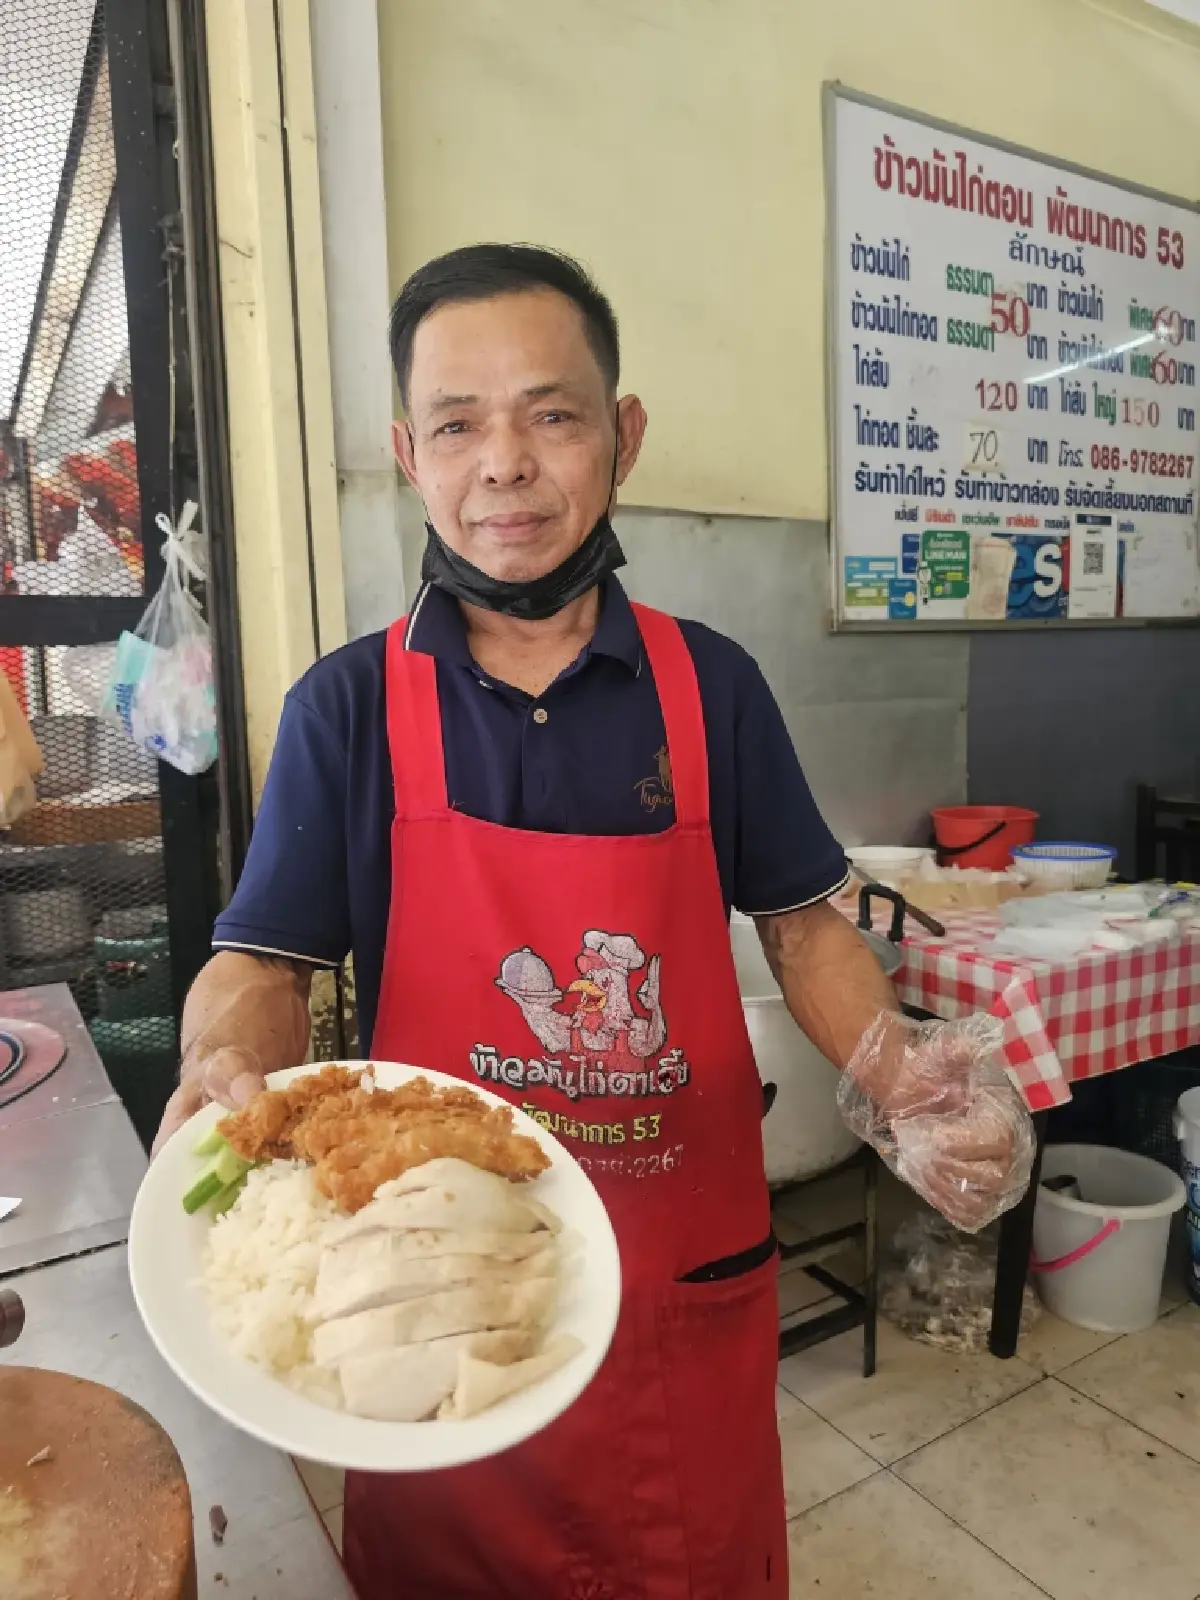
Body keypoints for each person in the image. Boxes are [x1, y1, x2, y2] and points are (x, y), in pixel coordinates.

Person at [155, 244, 1022, 1599]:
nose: (504, 464)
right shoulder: (348, 709)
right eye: (457, 425)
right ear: (410, 455)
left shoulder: (713, 687)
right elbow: (263, 961)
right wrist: (222, 1061)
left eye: (550, 415)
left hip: (675, 1290)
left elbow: (805, 930)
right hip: (429, 1292)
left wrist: (904, 1075)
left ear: (622, 437)